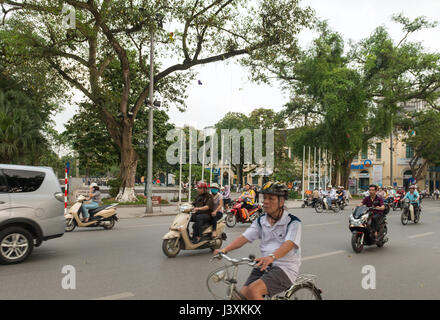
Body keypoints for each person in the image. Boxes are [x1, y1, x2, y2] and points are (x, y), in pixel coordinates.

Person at [213, 181, 301, 300]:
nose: (265, 201)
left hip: (285, 268)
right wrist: (224, 249)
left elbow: (289, 244)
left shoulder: (293, 222)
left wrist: (272, 257)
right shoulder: (261, 221)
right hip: (264, 265)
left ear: (281, 201)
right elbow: (244, 237)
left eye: (271, 198)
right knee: (241, 296)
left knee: (254, 290)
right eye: (264, 198)